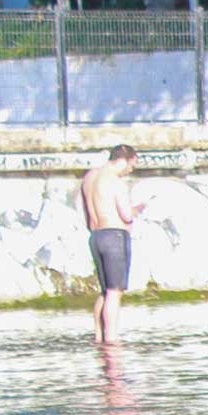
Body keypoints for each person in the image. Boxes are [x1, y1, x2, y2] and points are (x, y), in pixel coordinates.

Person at [80, 145, 139, 344]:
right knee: (115, 292)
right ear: (124, 160)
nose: (131, 170)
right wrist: (138, 209)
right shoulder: (115, 182)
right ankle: (112, 339)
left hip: (96, 236)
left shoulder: (89, 178)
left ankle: (99, 337)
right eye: (132, 165)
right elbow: (126, 214)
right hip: (114, 235)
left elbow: (87, 212)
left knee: (105, 291)